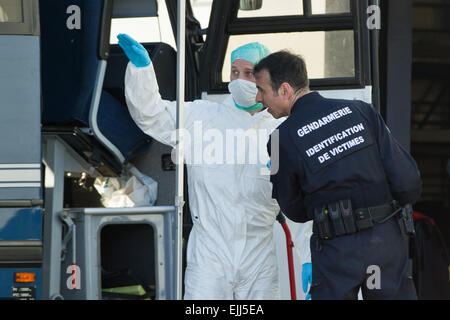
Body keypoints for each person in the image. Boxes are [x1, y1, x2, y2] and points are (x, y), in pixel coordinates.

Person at [117, 34, 311, 299]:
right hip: (210, 255)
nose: (240, 80)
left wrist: (309, 257)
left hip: (259, 258)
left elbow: (299, 202)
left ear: (266, 79)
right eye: (234, 71)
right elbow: (152, 115)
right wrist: (142, 71)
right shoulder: (203, 117)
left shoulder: (280, 131)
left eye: (250, 73)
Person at [254, 50, 423, 300]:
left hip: (336, 250)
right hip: (384, 242)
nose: (259, 99)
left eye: (262, 90)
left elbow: (294, 210)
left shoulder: (278, 141)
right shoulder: (362, 111)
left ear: (285, 90)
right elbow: (408, 181)